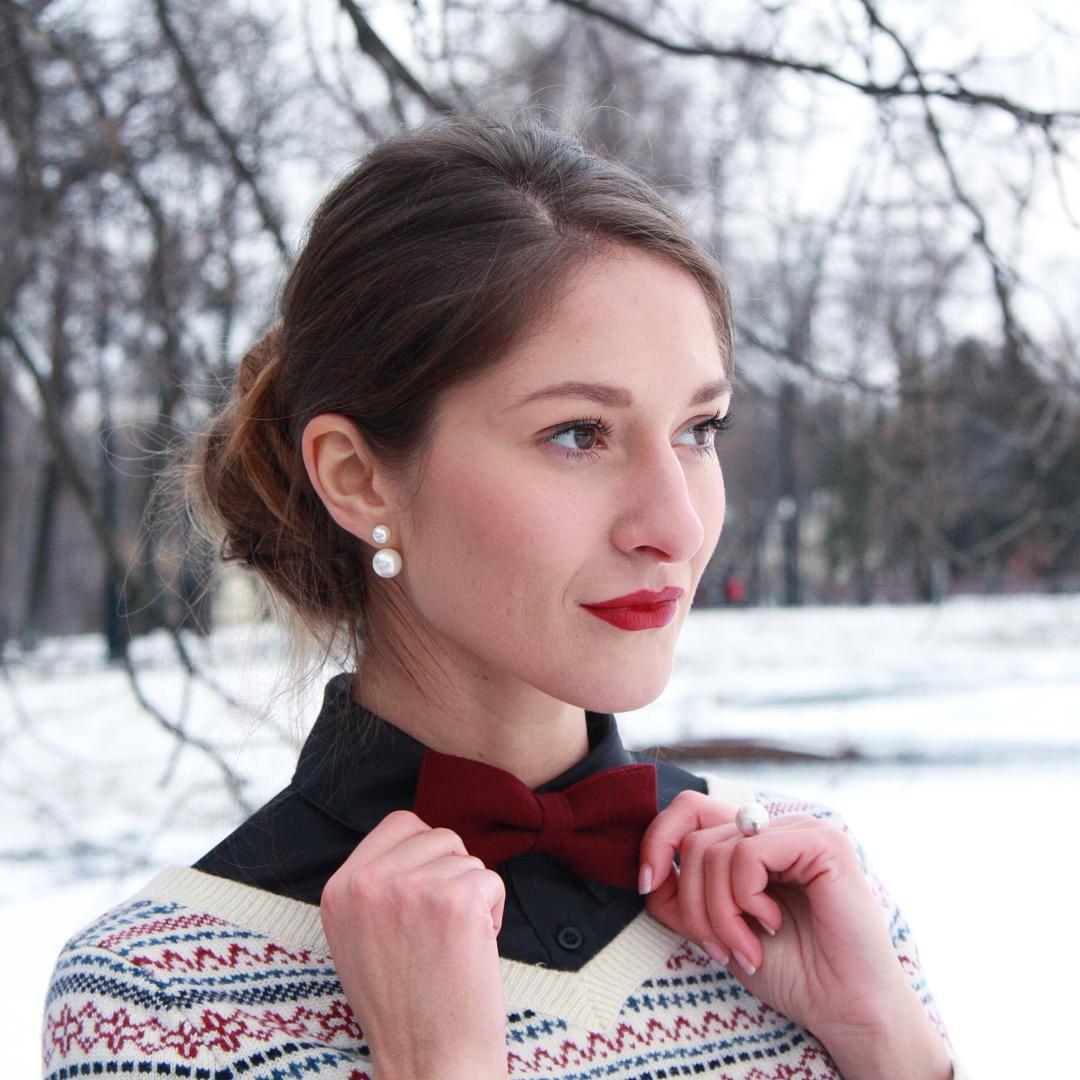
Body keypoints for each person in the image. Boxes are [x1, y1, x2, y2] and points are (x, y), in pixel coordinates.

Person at [42, 116, 961, 1079]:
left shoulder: (805, 895)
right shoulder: (158, 1000)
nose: (678, 526)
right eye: (578, 433)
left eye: (699, 429)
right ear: (358, 478)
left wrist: (884, 1043)